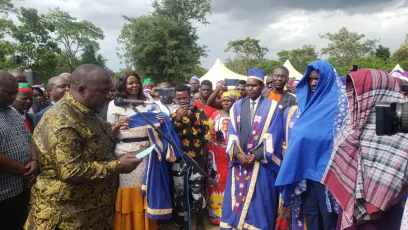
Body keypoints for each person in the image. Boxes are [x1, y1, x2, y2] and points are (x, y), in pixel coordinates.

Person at [25, 64, 142, 229]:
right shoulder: (61, 120)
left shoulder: (87, 113)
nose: (109, 96)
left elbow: (95, 151)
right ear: (82, 90)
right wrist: (118, 166)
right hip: (67, 217)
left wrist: (118, 158)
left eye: (110, 90)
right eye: (103, 91)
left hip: (94, 213)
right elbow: (70, 171)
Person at [323, 69, 408, 230]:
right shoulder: (354, 118)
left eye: (361, 91)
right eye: (353, 90)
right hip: (350, 204)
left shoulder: (401, 121)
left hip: (387, 210)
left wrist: (382, 196)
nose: (356, 96)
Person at [275, 61, 347, 230]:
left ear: (327, 79)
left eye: (317, 79)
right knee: (312, 216)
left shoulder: (341, 109)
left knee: (329, 218)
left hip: (329, 174)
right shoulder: (304, 106)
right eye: (310, 79)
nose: (313, 83)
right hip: (305, 174)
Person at [220, 69, 284, 230]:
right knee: (236, 198)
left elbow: (274, 135)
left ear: (262, 86)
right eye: (247, 85)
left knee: (259, 200)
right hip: (239, 162)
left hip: (260, 163)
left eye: (253, 86)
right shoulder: (237, 106)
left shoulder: (272, 107)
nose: (249, 89)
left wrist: (254, 155)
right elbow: (232, 133)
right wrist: (237, 154)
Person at [107, 69, 158, 230]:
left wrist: (160, 120)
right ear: (123, 84)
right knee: (130, 190)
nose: (135, 85)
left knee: (146, 189)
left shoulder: (148, 100)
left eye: (137, 82)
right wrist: (118, 125)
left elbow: (156, 120)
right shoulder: (114, 104)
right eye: (130, 83)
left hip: (147, 150)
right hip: (125, 151)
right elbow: (109, 133)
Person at [0, 71, 38, 230]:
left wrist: (34, 161)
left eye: (14, 93)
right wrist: (23, 170)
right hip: (3, 193)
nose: (12, 96)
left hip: (20, 189)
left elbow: (29, 139)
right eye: (8, 92)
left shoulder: (13, 112)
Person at [170, 84, 209, 230]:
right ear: (175, 98)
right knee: (180, 191)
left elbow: (206, 133)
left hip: (196, 159)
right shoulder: (173, 116)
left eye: (185, 97)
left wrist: (194, 119)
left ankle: (199, 219)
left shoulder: (200, 113)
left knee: (197, 191)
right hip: (178, 159)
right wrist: (179, 119)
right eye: (179, 98)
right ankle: (185, 220)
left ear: (190, 96)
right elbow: (172, 136)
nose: (182, 101)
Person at [206, 90, 241, 225]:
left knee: (232, 184)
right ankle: (216, 216)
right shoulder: (215, 115)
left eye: (229, 100)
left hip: (232, 155)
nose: (226, 103)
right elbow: (208, 134)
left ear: (235, 102)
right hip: (215, 155)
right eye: (224, 100)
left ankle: (231, 216)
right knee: (215, 183)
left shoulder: (239, 117)